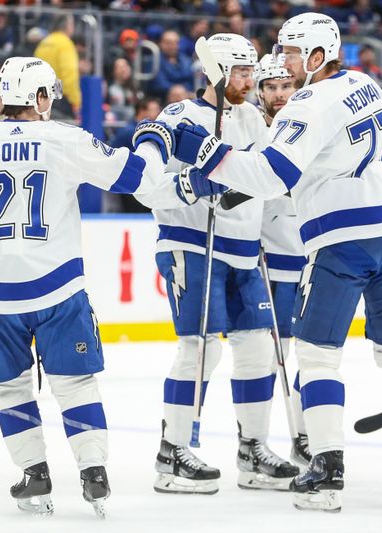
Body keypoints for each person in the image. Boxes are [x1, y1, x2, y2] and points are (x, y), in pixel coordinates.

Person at [170, 14, 382, 511]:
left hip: (344, 241)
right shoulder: (366, 83)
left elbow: (271, 176)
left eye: (292, 54)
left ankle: (327, 469)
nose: (285, 65)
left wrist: (206, 153)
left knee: (315, 356)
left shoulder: (310, 102)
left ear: (317, 57)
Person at [0, 57, 172, 518]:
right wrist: (153, 143)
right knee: (75, 383)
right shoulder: (64, 138)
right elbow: (138, 180)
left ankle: (34, 472)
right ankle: (93, 472)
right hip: (58, 290)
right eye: (49, 95)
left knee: (9, 387)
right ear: (39, 98)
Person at [133, 34, 299, 496]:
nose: (251, 81)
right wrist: (190, 185)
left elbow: (268, 177)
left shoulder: (251, 119)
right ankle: (173, 453)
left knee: (256, 348)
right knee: (200, 348)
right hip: (193, 243)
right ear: (218, 72)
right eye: (243, 72)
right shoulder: (181, 116)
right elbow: (145, 183)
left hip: (244, 250)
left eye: (252, 72)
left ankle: (252, 450)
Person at [254, 53, 310, 468]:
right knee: (268, 357)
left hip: (311, 261)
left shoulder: (312, 125)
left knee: (313, 356)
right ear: (259, 91)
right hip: (271, 263)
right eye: (271, 87)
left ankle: (306, 434)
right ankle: (255, 440)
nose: (278, 94)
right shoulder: (252, 130)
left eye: (285, 86)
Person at [34, 15, 81, 117]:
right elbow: (69, 74)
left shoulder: (44, 42)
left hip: (41, 96)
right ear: (68, 26)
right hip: (60, 97)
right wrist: (75, 101)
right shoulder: (65, 43)